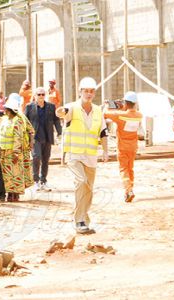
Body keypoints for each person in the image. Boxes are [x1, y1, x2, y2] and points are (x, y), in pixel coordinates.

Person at [56, 77, 109, 234]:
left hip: (91, 156)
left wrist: (106, 151)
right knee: (81, 182)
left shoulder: (98, 111)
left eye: (91, 91)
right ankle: (78, 220)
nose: (89, 94)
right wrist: (60, 111)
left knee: (88, 189)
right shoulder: (72, 108)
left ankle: (84, 218)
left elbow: (103, 132)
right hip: (74, 154)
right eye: (86, 91)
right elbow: (62, 112)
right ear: (80, 92)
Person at [104, 91, 142, 202]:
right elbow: (130, 115)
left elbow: (105, 113)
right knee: (130, 169)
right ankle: (129, 190)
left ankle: (128, 190)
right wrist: (123, 107)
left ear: (125, 103)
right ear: (135, 103)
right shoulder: (139, 115)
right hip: (133, 147)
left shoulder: (120, 115)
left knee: (123, 169)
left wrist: (108, 105)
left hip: (122, 147)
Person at [25, 87, 62, 191]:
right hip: (35, 138)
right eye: (39, 94)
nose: (41, 96)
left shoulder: (51, 106)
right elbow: (25, 121)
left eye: (42, 94)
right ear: (35, 96)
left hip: (47, 137)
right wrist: (25, 135)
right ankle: (35, 180)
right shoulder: (29, 107)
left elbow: (56, 120)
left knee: (45, 159)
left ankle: (43, 181)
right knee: (36, 157)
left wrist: (60, 132)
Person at [0, 95, 28, 202]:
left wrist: (16, 153)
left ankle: (15, 194)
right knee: (6, 174)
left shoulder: (18, 121)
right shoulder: (4, 119)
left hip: (13, 151)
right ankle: (9, 193)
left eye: (6, 108)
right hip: (4, 151)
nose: (4, 110)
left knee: (15, 173)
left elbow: (18, 137)